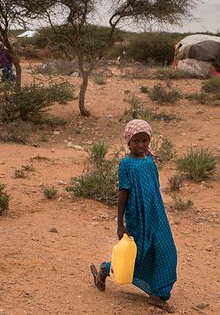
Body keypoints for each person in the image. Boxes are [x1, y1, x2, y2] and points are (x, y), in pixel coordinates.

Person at [90, 119, 177, 313]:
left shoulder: (149, 160)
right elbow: (123, 193)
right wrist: (120, 223)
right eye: (136, 141)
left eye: (144, 140)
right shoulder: (126, 164)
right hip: (137, 215)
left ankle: (158, 293)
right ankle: (107, 268)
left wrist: (158, 212)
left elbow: (154, 188)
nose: (141, 145)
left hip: (156, 214)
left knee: (167, 251)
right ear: (128, 141)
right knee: (138, 254)